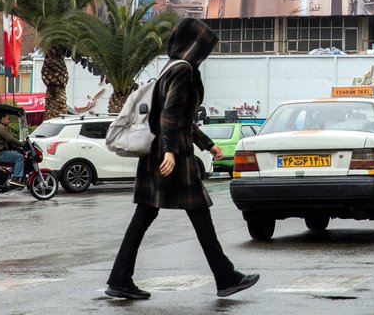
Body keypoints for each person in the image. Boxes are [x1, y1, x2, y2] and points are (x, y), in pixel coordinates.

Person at [106, 17, 259, 301]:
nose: (205, 53)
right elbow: (170, 115)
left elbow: (182, 119)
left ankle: (120, 278)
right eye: (203, 46)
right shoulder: (184, 71)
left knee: (145, 215)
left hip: (160, 155)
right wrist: (170, 151)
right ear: (193, 46)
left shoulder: (170, 68)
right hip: (172, 156)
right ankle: (225, 277)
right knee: (198, 213)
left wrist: (208, 144)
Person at [0, 110, 26, 188]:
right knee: (19, 157)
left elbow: (5, 140)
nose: (9, 121)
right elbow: (9, 138)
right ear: (3, 119)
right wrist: (22, 144)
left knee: (15, 153)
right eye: (8, 118)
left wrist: (14, 146)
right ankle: (15, 179)